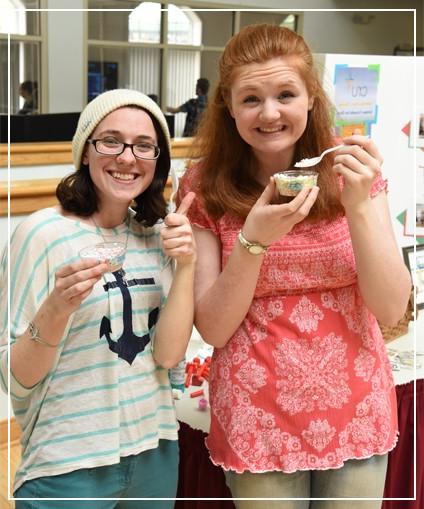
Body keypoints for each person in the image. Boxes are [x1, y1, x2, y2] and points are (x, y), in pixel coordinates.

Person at [176, 24, 412, 508]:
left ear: (311, 99)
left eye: (286, 93)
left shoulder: (355, 173)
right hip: (254, 413)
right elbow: (215, 329)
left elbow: (390, 308)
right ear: (227, 106)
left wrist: (360, 205)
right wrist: (252, 243)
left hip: (356, 406)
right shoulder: (203, 187)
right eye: (250, 99)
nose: (270, 113)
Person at [0, 89, 196, 508]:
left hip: (154, 450)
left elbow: (167, 358)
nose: (128, 157)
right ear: (85, 152)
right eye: (110, 141)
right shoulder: (42, 234)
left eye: (144, 146)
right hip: (67, 463)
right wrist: (57, 307)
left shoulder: (157, 236)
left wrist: (188, 266)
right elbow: (17, 378)